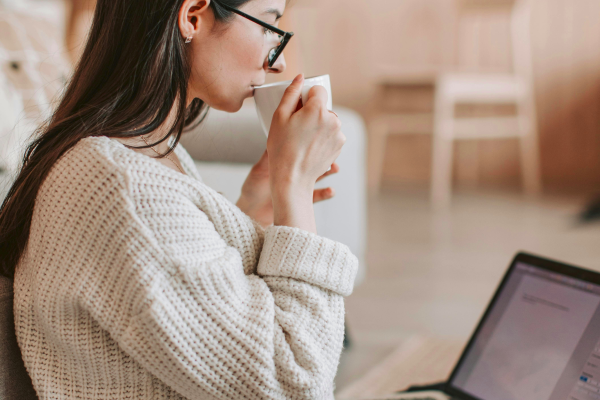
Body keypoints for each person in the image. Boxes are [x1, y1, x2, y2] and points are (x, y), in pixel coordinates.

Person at [0, 0, 358, 398]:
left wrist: (251, 208)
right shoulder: (121, 186)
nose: (278, 62)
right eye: (270, 26)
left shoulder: (141, 158)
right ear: (192, 16)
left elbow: (181, 299)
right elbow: (296, 384)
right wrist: (293, 189)